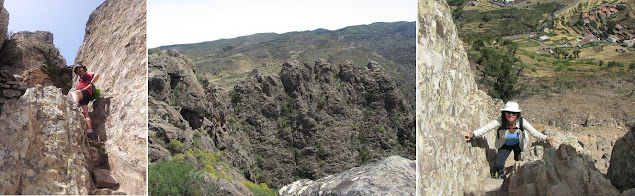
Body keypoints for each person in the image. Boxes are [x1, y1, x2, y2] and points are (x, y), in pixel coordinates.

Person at [462, 102, 560, 179]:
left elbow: (534, 132)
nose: (511, 115)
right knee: (498, 164)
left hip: (518, 144)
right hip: (505, 144)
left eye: (514, 113)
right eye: (508, 112)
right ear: (504, 113)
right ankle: (502, 173)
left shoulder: (521, 121)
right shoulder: (500, 121)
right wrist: (472, 134)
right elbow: (487, 127)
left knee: (520, 163)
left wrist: (547, 138)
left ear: (517, 114)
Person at [70, 64, 100, 139]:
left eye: (80, 70)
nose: (80, 72)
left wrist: (91, 83)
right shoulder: (80, 81)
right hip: (84, 96)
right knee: (85, 113)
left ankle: (74, 105)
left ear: (83, 69)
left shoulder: (87, 75)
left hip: (86, 92)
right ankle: (90, 131)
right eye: (78, 71)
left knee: (73, 93)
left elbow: (97, 75)